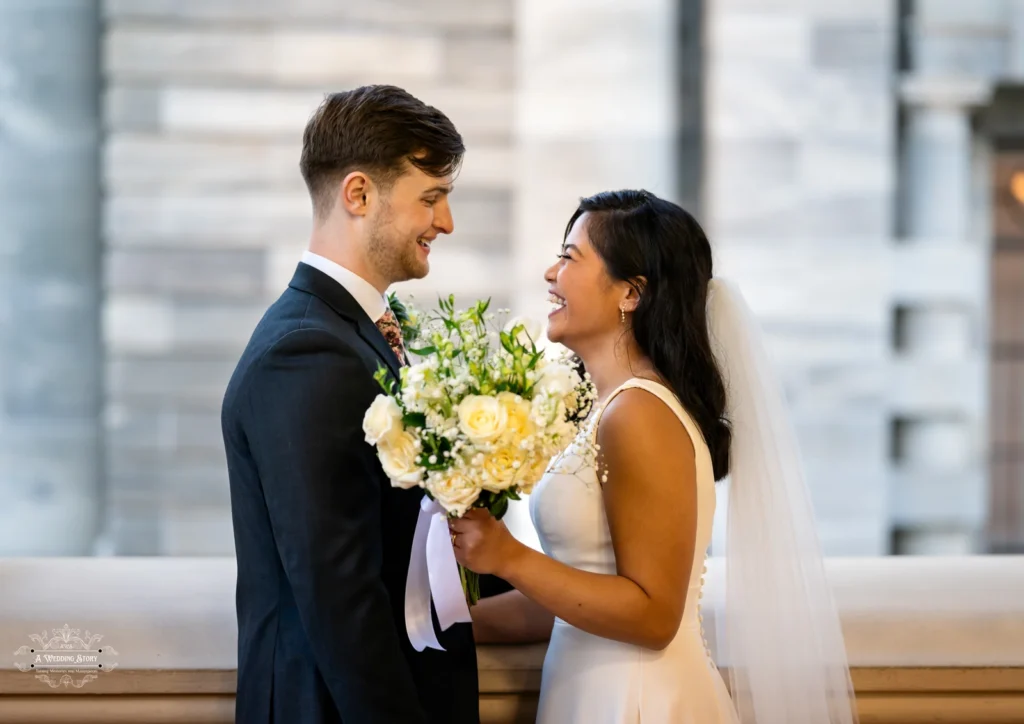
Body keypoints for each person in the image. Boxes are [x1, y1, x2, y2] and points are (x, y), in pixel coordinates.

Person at [450, 190, 859, 723]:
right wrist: (447, 620)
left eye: (570, 257)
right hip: (589, 693)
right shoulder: (607, 408)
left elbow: (653, 614)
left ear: (630, 293)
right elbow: (569, 603)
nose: (551, 272)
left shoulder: (640, 411)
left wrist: (507, 557)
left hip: (639, 700)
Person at [221, 85, 480, 723]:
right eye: (431, 197)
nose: (445, 222)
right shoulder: (307, 350)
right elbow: (339, 594)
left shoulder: (353, 330)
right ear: (359, 195)